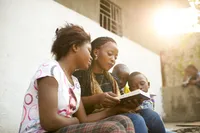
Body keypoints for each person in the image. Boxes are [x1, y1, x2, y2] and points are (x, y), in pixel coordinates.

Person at [19, 24, 135, 133]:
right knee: (113, 127)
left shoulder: (75, 83)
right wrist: (74, 121)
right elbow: (50, 122)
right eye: (89, 51)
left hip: (63, 129)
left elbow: (84, 120)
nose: (91, 57)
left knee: (124, 121)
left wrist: (114, 110)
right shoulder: (51, 70)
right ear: (75, 47)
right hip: (41, 131)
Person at [74, 37, 148, 133]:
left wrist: (130, 103)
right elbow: (75, 102)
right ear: (96, 52)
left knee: (150, 115)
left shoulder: (113, 79)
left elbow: (118, 100)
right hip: (94, 118)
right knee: (136, 119)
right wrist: (97, 98)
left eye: (116, 57)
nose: (113, 60)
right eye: (110, 54)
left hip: (113, 113)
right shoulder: (80, 76)